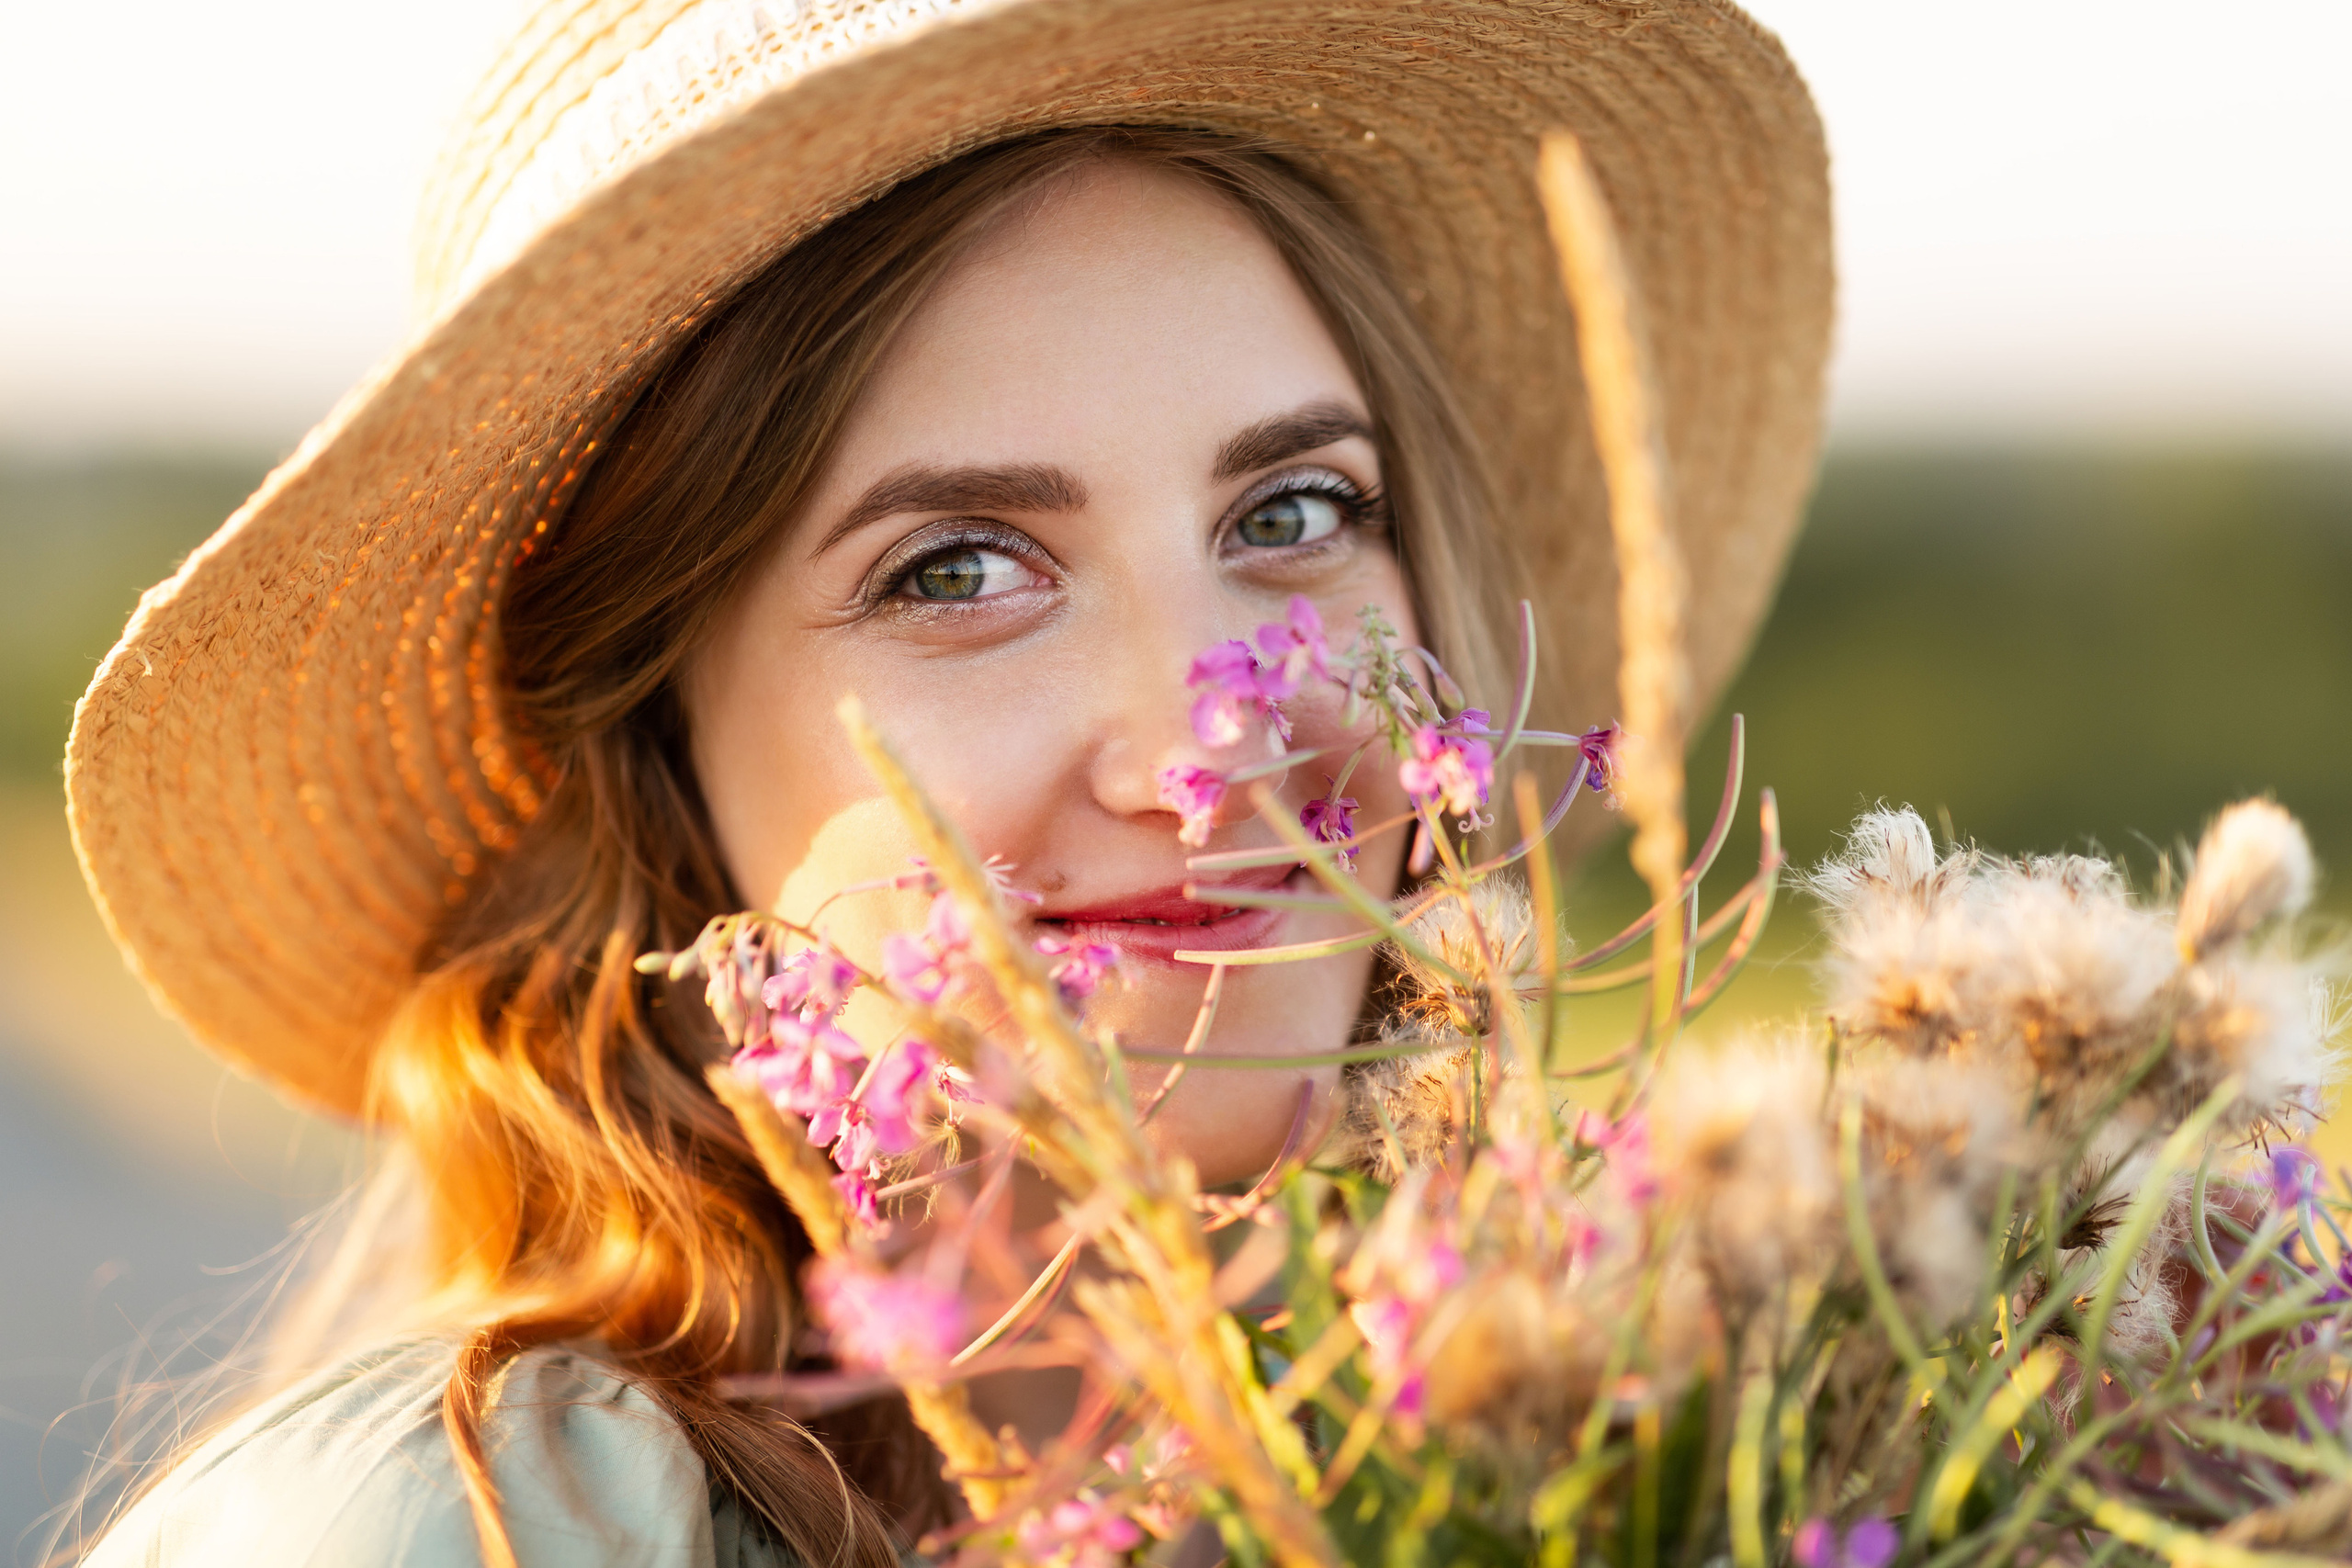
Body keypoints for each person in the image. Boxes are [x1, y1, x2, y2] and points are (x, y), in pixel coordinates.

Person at [63, 1, 1831, 1562]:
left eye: (1292, 514)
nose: (1198, 758)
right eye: (959, 570)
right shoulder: (468, 1528)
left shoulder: (1622, 1461)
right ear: (650, 737)